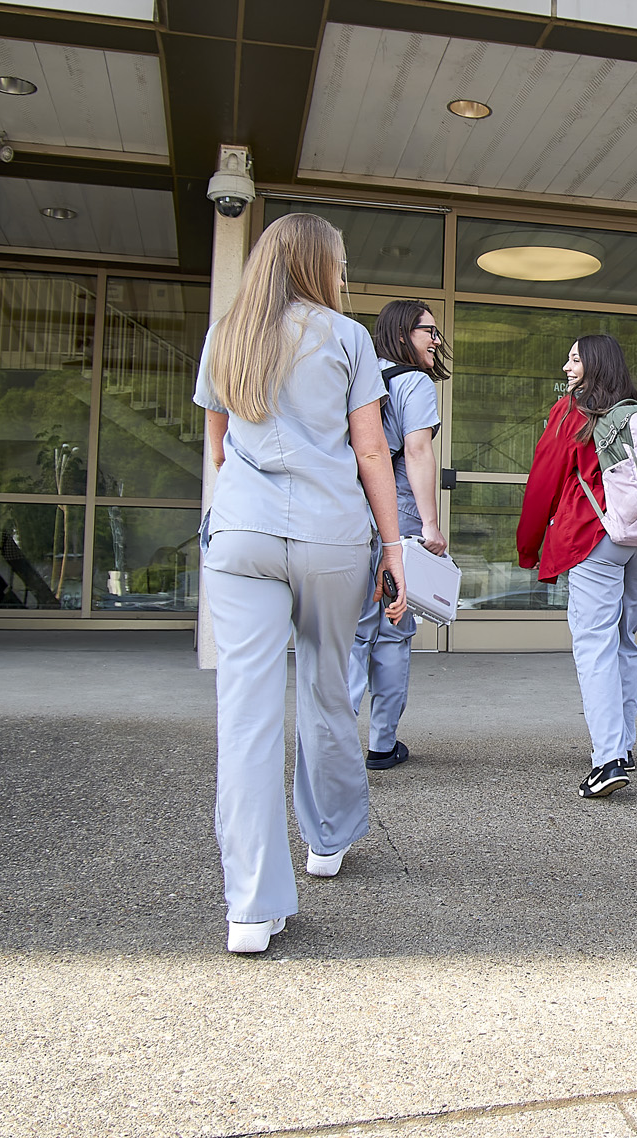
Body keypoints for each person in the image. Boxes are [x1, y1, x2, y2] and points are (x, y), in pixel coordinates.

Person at [194, 212, 409, 955]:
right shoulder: (346, 338)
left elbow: (220, 451)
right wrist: (394, 547)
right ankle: (327, 839)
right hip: (331, 535)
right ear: (317, 265)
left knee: (245, 718)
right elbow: (372, 451)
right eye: (339, 263)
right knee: (326, 686)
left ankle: (250, 909)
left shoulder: (226, 335)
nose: (343, 275)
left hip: (243, 533)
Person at [516, 335, 637, 800]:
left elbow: (544, 481)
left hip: (596, 534)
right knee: (624, 639)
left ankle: (608, 760)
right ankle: (623, 744)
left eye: (575, 358)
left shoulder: (572, 412)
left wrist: (529, 546)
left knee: (595, 644)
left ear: (594, 364)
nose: (567, 366)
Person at [350, 299, 448, 772]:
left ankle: (334, 745)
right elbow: (418, 451)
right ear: (405, 332)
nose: (437, 340)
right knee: (392, 629)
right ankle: (381, 744)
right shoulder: (413, 382)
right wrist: (429, 524)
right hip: (400, 515)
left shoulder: (361, 377)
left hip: (353, 515)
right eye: (430, 330)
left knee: (353, 633)